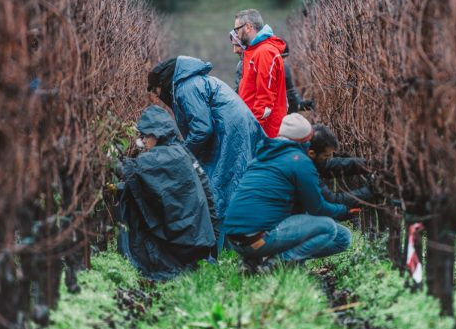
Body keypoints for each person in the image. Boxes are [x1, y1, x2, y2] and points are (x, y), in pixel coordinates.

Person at [147, 56, 265, 239]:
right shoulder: (191, 82)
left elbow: (202, 129)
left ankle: (222, 241)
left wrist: (183, 154)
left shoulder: (186, 87)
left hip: (231, 133)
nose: (159, 96)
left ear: (163, 83)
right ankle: (234, 239)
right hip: (232, 130)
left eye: (157, 90)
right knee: (227, 181)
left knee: (218, 184)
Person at [222, 113, 355, 269]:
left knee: (342, 236)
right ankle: (279, 263)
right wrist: (346, 210)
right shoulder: (300, 161)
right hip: (258, 239)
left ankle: (254, 261)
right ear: (307, 140)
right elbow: (318, 208)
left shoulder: (262, 156)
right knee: (328, 228)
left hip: (236, 240)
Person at [116, 106, 217, 280]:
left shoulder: (164, 157)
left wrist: (107, 159)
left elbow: (131, 170)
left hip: (187, 243)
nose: (143, 142)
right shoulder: (179, 151)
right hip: (199, 240)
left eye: (145, 136)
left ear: (156, 134)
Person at [233, 9, 287, 137]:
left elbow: (265, 98)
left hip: (265, 131)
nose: (236, 34)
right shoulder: (253, 51)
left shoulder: (265, 52)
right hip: (254, 124)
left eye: (237, 29)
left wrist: (253, 128)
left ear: (248, 27)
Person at [305, 124, 374, 207]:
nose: (327, 159)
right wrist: (371, 191)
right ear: (312, 153)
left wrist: (367, 164)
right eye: (325, 156)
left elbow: (328, 166)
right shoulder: (304, 170)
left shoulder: (303, 153)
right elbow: (331, 201)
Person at [281, 42, 314, 114]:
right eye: (282, 57)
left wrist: (300, 103)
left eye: (286, 57)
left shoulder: (285, 69)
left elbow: (290, 90)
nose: (284, 60)